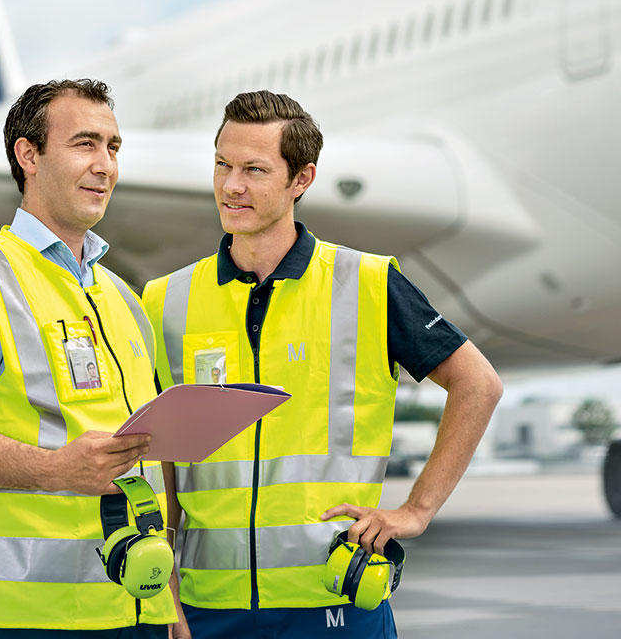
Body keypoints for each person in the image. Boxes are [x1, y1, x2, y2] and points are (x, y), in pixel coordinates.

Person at [141, 91, 503, 638]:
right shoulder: (165, 300)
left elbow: (478, 384)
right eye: (222, 165)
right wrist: (164, 592)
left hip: (335, 600)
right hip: (208, 606)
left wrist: (416, 510)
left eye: (254, 170)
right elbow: (159, 458)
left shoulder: (368, 284)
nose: (232, 185)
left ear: (302, 179)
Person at [0, 79, 176, 636]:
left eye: (113, 147)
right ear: (28, 156)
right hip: (19, 613)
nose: (105, 165)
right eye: (85, 144)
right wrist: (56, 471)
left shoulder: (123, 297)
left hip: (133, 605)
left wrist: (169, 602)